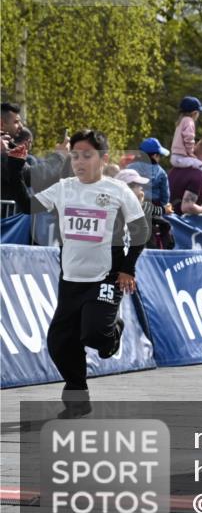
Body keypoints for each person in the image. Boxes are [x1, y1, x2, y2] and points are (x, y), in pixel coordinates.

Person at [32, 130, 149, 418]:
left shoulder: (118, 190)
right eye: (74, 156)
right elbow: (27, 205)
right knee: (60, 343)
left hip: (106, 276)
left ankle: (114, 329)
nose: (79, 162)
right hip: (71, 281)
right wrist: (12, 163)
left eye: (87, 155)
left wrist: (127, 268)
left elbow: (140, 230)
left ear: (103, 158)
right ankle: (78, 399)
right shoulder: (64, 188)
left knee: (96, 335)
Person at [171, 96, 202, 175]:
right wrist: (190, 153)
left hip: (175, 157)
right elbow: (189, 138)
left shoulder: (181, 121)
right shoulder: (189, 121)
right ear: (194, 113)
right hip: (182, 158)